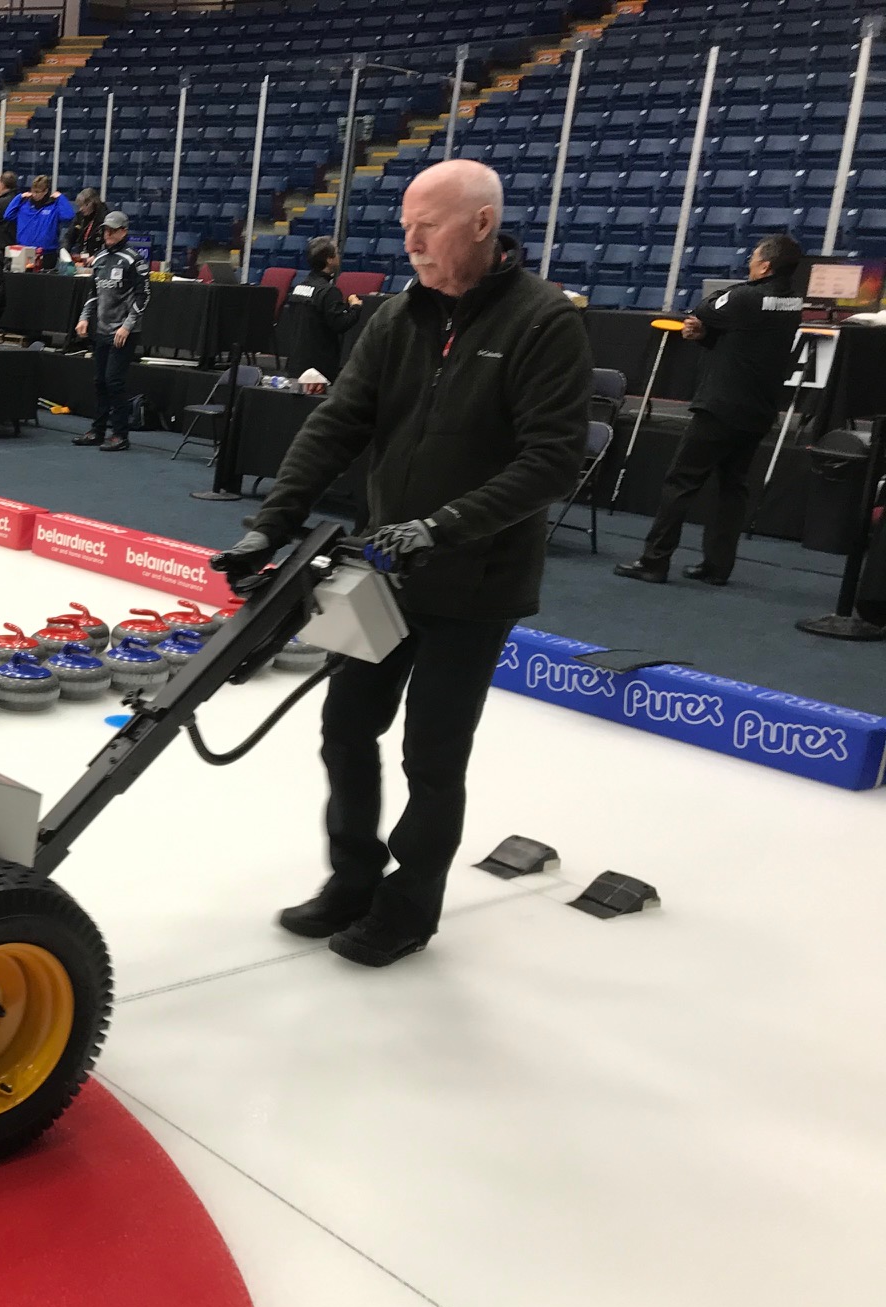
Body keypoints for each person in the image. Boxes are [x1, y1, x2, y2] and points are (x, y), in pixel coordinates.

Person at [210, 159, 591, 968]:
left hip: (474, 582)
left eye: (431, 224)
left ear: (483, 225)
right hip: (382, 572)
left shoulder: (541, 321)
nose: (410, 240)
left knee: (432, 752)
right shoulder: (396, 316)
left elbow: (553, 460)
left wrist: (443, 527)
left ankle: (410, 908)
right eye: (407, 223)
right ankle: (353, 879)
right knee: (346, 726)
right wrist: (266, 526)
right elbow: (339, 422)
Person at [614, 234, 806, 586]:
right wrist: (705, 335)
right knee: (732, 489)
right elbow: (743, 338)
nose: (748, 261)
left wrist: (704, 325)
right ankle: (718, 566)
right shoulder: (793, 301)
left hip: (721, 406)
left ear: (765, 266)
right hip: (758, 410)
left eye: (753, 257)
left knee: (680, 483)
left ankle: (654, 561)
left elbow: (707, 307)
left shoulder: (747, 296)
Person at [73, 211, 147, 452]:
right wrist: (84, 319)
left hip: (124, 331)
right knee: (99, 381)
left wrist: (128, 325)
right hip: (102, 329)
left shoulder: (133, 260)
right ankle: (97, 430)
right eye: (106, 230)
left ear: (124, 231)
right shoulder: (100, 258)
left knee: (114, 381)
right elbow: (93, 293)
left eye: (113, 230)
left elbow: (144, 295)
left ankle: (120, 434)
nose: (108, 234)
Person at [280, 235, 363, 381]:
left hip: (296, 363)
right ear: (329, 259)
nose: (339, 255)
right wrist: (355, 307)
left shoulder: (299, 288)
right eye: (336, 252)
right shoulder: (329, 291)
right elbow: (341, 324)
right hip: (319, 370)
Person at [5, 175, 74, 261]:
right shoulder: (24, 204)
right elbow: (8, 215)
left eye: (37, 192)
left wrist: (61, 198)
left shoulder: (53, 206)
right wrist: (19, 197)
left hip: (47, 253)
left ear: (45, 191)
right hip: (23, 252)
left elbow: (68, 216)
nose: (34, 195)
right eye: (33, 191)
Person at [67, 188, 109, 263]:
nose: (81, 209)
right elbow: (69, 236)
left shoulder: (105, 217)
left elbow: (108, 244)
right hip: (83, 258)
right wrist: (64, 249)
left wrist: (96, 256)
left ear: (92, 203)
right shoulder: (80, 216)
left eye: (83, 206)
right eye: (79, 206)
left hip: (99, 259)